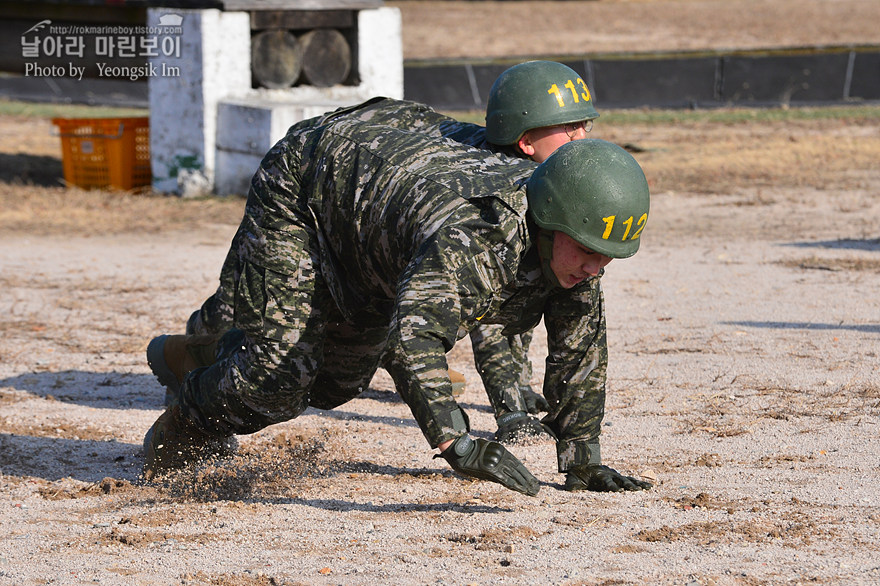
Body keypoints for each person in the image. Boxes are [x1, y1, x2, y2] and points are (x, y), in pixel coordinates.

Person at [142, 101, 653, 497]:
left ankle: (200, 353)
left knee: (335, 384)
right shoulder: (476, 236)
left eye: (607, 258)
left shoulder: (572, 239)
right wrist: (457, 441)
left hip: (378, 234)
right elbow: (413, 341)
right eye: (588, 252)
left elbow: (579, 348)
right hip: (307, 186)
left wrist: (583, 457)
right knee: (278, 379)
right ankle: (185, 423)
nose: (595, 268)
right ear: (552, 220)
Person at [174, 60, 601, 445]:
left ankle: (218, 343)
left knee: (337, 383)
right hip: (306, 180)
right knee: (277, 370)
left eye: (586, 125)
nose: (583, 139)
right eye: (572, 128)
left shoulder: (542, 188)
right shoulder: (486, 206)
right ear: (526, 142)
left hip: (366, 222)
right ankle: (199, 366)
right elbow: (470, 320)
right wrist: (510, 416)